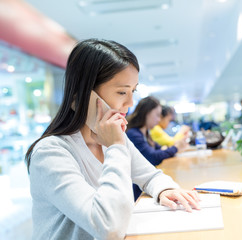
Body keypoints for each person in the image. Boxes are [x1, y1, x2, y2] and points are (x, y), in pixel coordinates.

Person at [25, 39, 200, 240]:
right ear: (84, 95)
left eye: (132, 91)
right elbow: (108, 227)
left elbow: (151, 176)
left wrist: (165, 190)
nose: (130, 102)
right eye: (121, 92)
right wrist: (116, 146)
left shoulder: (114, 138)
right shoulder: (50, 153)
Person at [126, 96, 188, 200]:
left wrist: (170, 149)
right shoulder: (133, 134)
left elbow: (159, 149)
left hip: (146, 186)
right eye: (157, 115)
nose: (159, 119)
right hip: (139, 190)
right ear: (146, 113)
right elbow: (152, 157)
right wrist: (176, 148)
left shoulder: (145, 133)